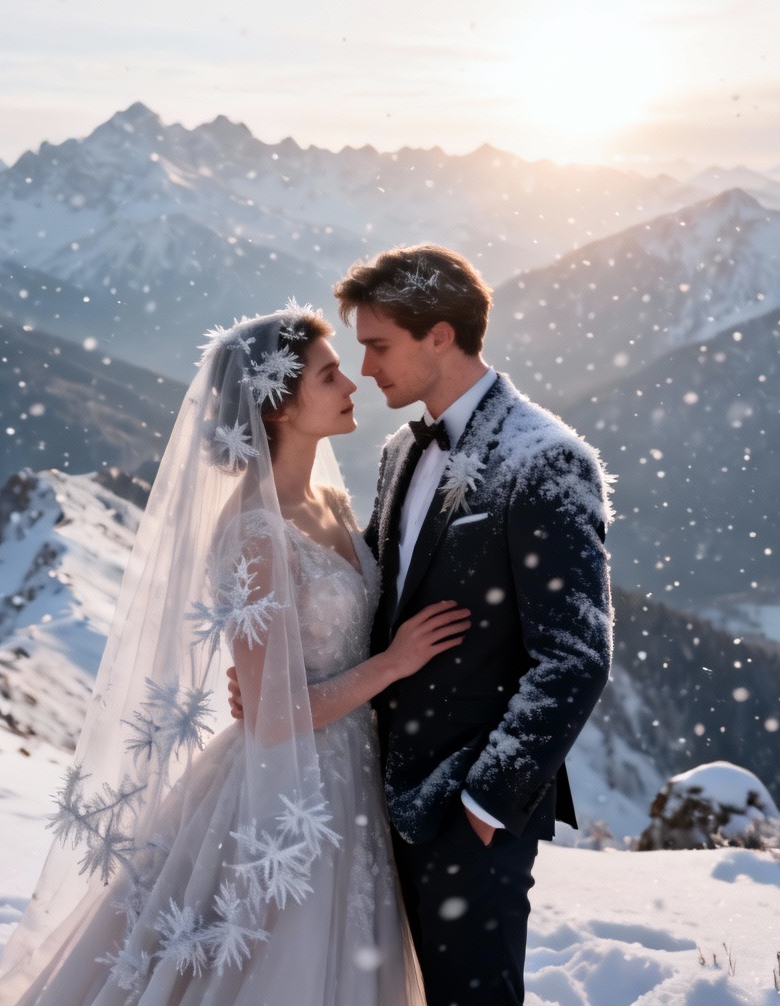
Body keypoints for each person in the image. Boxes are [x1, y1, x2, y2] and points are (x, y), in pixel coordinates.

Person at [0, 304, 471, 1006]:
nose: (351, 383)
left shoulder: (330, 502)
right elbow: (269, 716)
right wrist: (393, 665)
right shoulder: (254, 534)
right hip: (293, 792)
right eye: (327, 375)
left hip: (355, 773)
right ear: (280, 408)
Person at [333, 244, 614, 1006]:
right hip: (377, 799)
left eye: (378, 347)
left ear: (441, 335)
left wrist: (484, 804)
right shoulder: (399, 451)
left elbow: (575, 655)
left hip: (468, 815)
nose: (365, 371)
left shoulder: (548, 460)